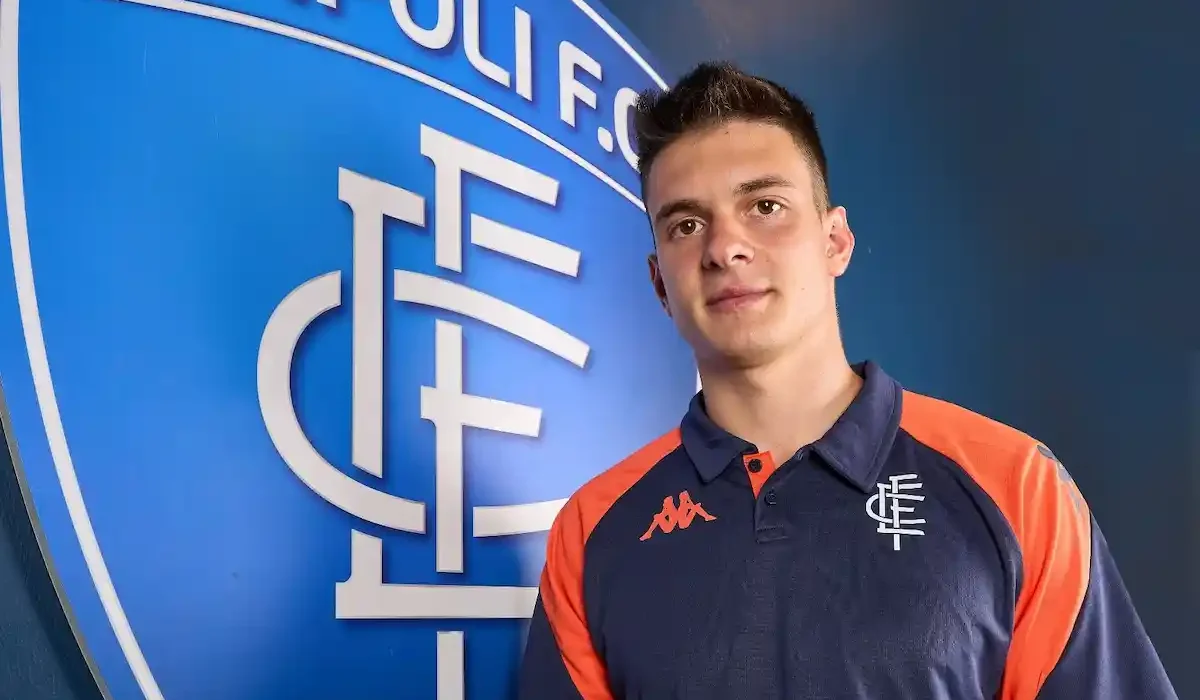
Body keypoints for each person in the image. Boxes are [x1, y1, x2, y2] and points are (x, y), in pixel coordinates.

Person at [516, 62, 1176, 699]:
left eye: (765, 206)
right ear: (661, 282)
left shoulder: (1017, 489)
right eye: (686, 225)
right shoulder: (593, 532)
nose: (724, 248)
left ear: (835, 241)